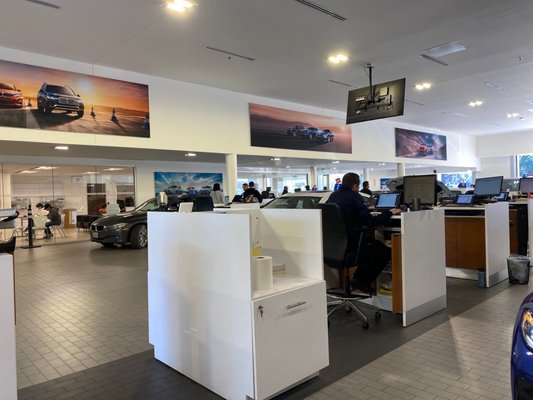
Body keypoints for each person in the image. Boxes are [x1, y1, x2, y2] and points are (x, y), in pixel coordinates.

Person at [327, 172, 401, 293]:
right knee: (384, 251)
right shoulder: (354, 197)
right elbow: (370, 222)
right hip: (352, 244)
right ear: (355, 186)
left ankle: (358, 280)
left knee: (372, 249)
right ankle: (361, 280)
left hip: (334, 247)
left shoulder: (333, 196)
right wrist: (390, 212)